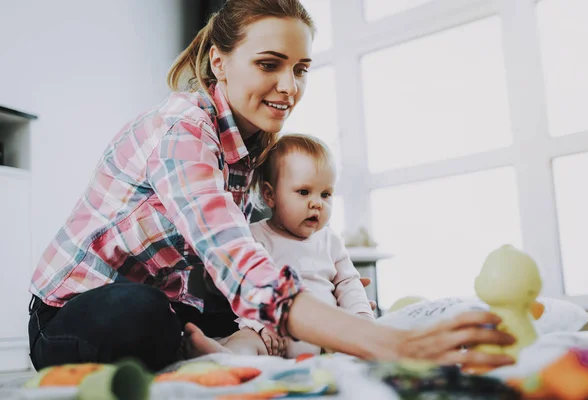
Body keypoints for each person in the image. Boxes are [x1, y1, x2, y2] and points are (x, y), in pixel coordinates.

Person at [27, 0, 516, 372]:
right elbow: (233, 258)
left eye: (300, 69)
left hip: (174, 304)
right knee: (143, 312)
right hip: (73, 315)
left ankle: (197, 354)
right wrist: (387, 345)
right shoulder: (183, 128)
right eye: (269, 64)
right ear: (220, 63)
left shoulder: (250, 147)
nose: (290, 87)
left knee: (245, 321)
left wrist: (312, 287)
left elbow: (240, 263)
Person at [221, 134, 374, 358]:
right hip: (273, 337)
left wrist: (361, 315)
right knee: (246, 342)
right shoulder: (255, 237)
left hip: (325, 337)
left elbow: (349, 282)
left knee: (356, 344)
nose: (317, 203)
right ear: (270, 195)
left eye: (326, 194)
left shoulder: (330, 241)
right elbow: (244, 288)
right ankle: (221, 356)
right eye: (304, 192)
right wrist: (259, 325)